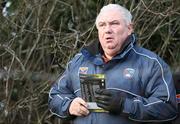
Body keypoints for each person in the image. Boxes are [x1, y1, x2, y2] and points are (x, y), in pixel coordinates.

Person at [48, 4, 178, 124]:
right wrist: (69, 105)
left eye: (114, 24)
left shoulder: (150, 64)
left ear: (129, 28)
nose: (107, 30)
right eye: (102, 25)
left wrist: (124, 105)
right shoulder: (79, 61)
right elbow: (55, 96)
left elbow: (168, 108)